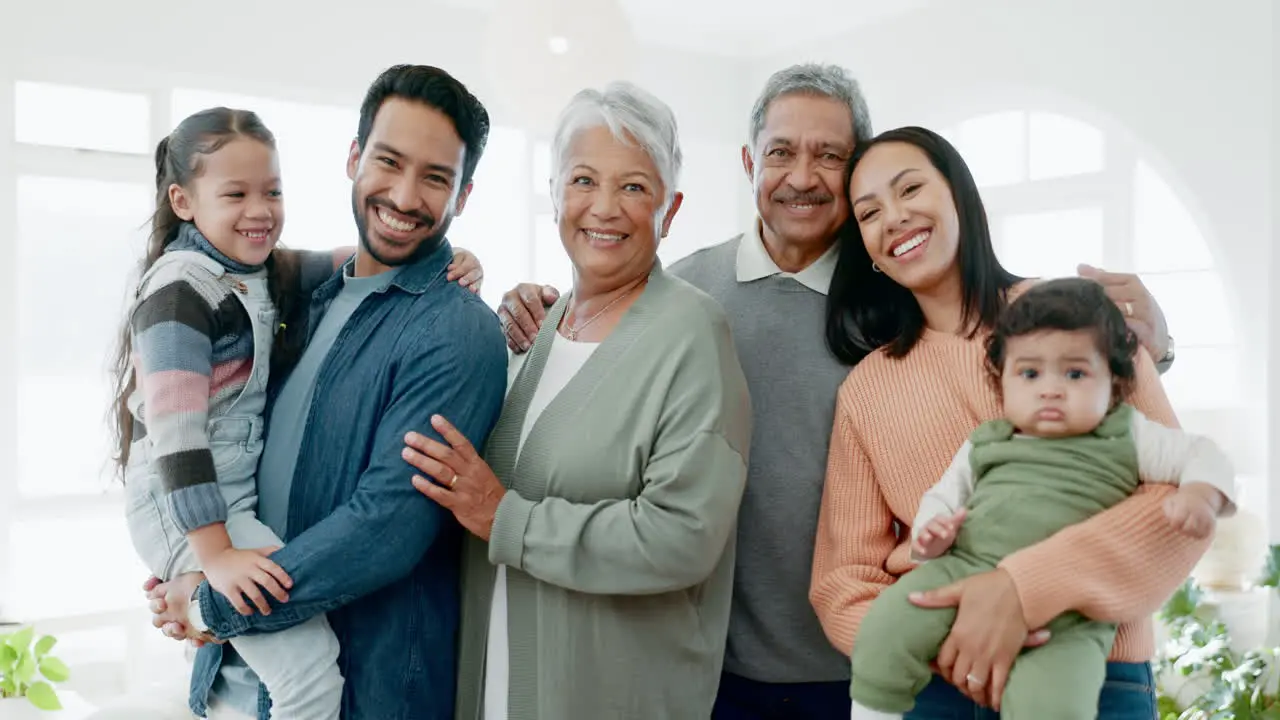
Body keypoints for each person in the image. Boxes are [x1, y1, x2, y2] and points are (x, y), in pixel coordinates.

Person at [494, 64, 1178, 718]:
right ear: (747, 163)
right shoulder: (687, 297)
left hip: (923, 671)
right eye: (781, 152)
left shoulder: (896, 299)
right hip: (742, 660)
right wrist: (531, 307)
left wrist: (1150, 347)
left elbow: (1128, 459)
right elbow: (598, 339)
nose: (801, 176)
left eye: (830, 157)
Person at [139, 64, 507, 720]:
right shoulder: (296, 294)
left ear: (464, 194)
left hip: (364, 689)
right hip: (231, 683)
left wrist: (206, 600)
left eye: (435, 177)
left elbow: (385, 527)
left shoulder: (456, 329)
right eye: (388, 162)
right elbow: (205, 429)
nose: (403, 194)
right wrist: (194, 559)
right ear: (353, 158)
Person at [814, 126, 1219, 719]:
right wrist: (954, 640)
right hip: (937, 687)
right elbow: (842, 578)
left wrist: (1023, 588)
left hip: (1093, 678)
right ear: (868, 251)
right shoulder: (866, 390)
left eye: (910, 189)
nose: (894, 218)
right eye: (870, 212)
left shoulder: (1077, 319)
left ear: (961, 198)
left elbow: (1178, 497)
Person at [399, 81, 752, 719]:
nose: (605, 208)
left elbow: (682, 537)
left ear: (670, 210)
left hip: (612, 695)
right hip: (498, 686)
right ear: (556, 194)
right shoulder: (536, 329)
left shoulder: (693, 334)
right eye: (584, 180)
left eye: (635, 187)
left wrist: (507, 518)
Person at [845, 277, 1236, 720]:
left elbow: (1204, 454)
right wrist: (929, 537)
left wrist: (1202, 495)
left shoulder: (1126, 433)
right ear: (1003, 382)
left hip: (1073, 612)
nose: (1051, 389)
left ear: (1113, 379)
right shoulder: (987, 441)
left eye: (1074, 373)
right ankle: (875, 711)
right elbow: (942, 498)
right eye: (1030, 373)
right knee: (889, 625)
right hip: (962, 568)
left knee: (1053, 701)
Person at [113, 106, 344, 720]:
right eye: (236, 193)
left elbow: (354, 263)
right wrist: (212, 556)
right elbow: (177, 436)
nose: (261, 210)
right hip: (185, 507)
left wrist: (457, 257)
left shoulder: (261, 271)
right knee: (311, 676)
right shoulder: (180, 290)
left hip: (223, 508)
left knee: (289, 662)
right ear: (184, 202)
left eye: (272, 190)